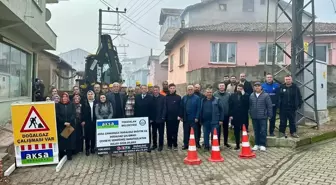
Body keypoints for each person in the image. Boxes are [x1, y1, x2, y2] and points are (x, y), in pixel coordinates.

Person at [249, 82, 273, 151]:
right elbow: (250, 106)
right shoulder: (251, 95)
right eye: (255, 86)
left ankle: (262, 144)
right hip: (254, 117)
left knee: (263, 131)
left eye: (258, 86)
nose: (257, 87)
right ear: (254, 88)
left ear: (261, 87)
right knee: (256, 131)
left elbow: (269, 106)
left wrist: (269, 115)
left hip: (263, 116)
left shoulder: (266, 95)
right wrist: (250, 113)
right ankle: (256, 144)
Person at [179, 85, 201, 150]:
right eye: (189, 89)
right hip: (186, 118)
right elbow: (181, 107)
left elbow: (198, 108)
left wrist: (197, 117)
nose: (190, 90)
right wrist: (181, 116)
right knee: (186, 132)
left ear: (193, 90)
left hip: (194, 118)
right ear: (187, 90)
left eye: (191, 89)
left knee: (195, 132)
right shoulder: (184, 98)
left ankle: (196, 143)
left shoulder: (197, 98)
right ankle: (186, 144)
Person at [56, 92, 76, 160]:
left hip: (69, 125)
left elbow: (74, 114)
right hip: (62, 125)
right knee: (62, 140)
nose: (64, 98)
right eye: (63, 97)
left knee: (69, 140)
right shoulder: (58, 105)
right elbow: (57, 115)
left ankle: (69, 154)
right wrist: (64, 122)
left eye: (66, 97)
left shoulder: (71, 104)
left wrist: (69, 122)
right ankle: (62, 154)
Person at [229, 84, 249, 150]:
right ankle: (237, 144)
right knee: (236, 131)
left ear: (243, 89)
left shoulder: (246, 95)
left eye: (240, 88)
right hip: (235, 116)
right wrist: (231, 115)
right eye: (238, 88)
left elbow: (247, 104)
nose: (239, 90)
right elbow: (230, 106)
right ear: (236, 89)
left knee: (244, 130)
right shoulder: (232, 95)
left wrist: (243, 95)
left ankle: (244, 143)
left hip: (244, 116)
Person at [134, 85, 153, 152]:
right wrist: (135, 118)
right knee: (139, 132)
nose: (144, 90)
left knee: (148, 132)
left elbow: (152, 109)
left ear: (147, 90)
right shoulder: (137, 97)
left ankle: (148, 146)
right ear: (140, 90)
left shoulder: (150, 97)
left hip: (147, 118)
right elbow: (135, 108)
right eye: (142, 88)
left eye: (145, 88)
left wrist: (151, 118)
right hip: (139, 118)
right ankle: (140, 146)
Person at [213, 82, 231, 148]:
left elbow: (230, 104)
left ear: (225, 87)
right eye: (220, 86)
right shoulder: (215, 94)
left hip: (226, 114)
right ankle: (217, 143)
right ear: (218, 87)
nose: (222, 87)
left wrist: (230, 114)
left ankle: (226, 142)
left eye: (223, 86)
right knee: (218, 130)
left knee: (226, 129)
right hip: (218, 115)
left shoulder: (228, 94)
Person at [165, 83, 181, 150]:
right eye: (171, 88)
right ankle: (169, 145)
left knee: (175, 131)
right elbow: (165, 107)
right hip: (168, 117)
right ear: (169, 89)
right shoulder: (166, 97)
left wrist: (180, 115)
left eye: (173, 88)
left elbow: (180, 107)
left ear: (175, 89)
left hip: (176, 117)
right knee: (168, 131)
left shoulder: (178, 97)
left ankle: (175, 144)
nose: (172, 89)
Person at [151, 85, 166, 151]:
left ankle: (160, 145)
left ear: (159, 90)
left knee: (161, 133)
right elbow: (149, 109)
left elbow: (164, 108)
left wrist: (163, 117)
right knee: (154, 133)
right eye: (154, 90)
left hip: (161, 119)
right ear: (153, 91)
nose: (155, 91)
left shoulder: (163, 97)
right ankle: (154, 145)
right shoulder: (151, 98)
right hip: (153, 119)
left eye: (156, 90)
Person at [82, 90, 97, 156]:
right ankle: (87, 149)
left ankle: (92, 148)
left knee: (93, 135)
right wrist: (82, 120)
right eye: (89, 94)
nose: (90, 95)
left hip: (94, 121)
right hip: (86, 122)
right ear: (87, 96)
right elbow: (81, 112)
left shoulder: (96, 102)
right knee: (87, 136)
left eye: (91, 94)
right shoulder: (84, 103)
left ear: (93, 95)